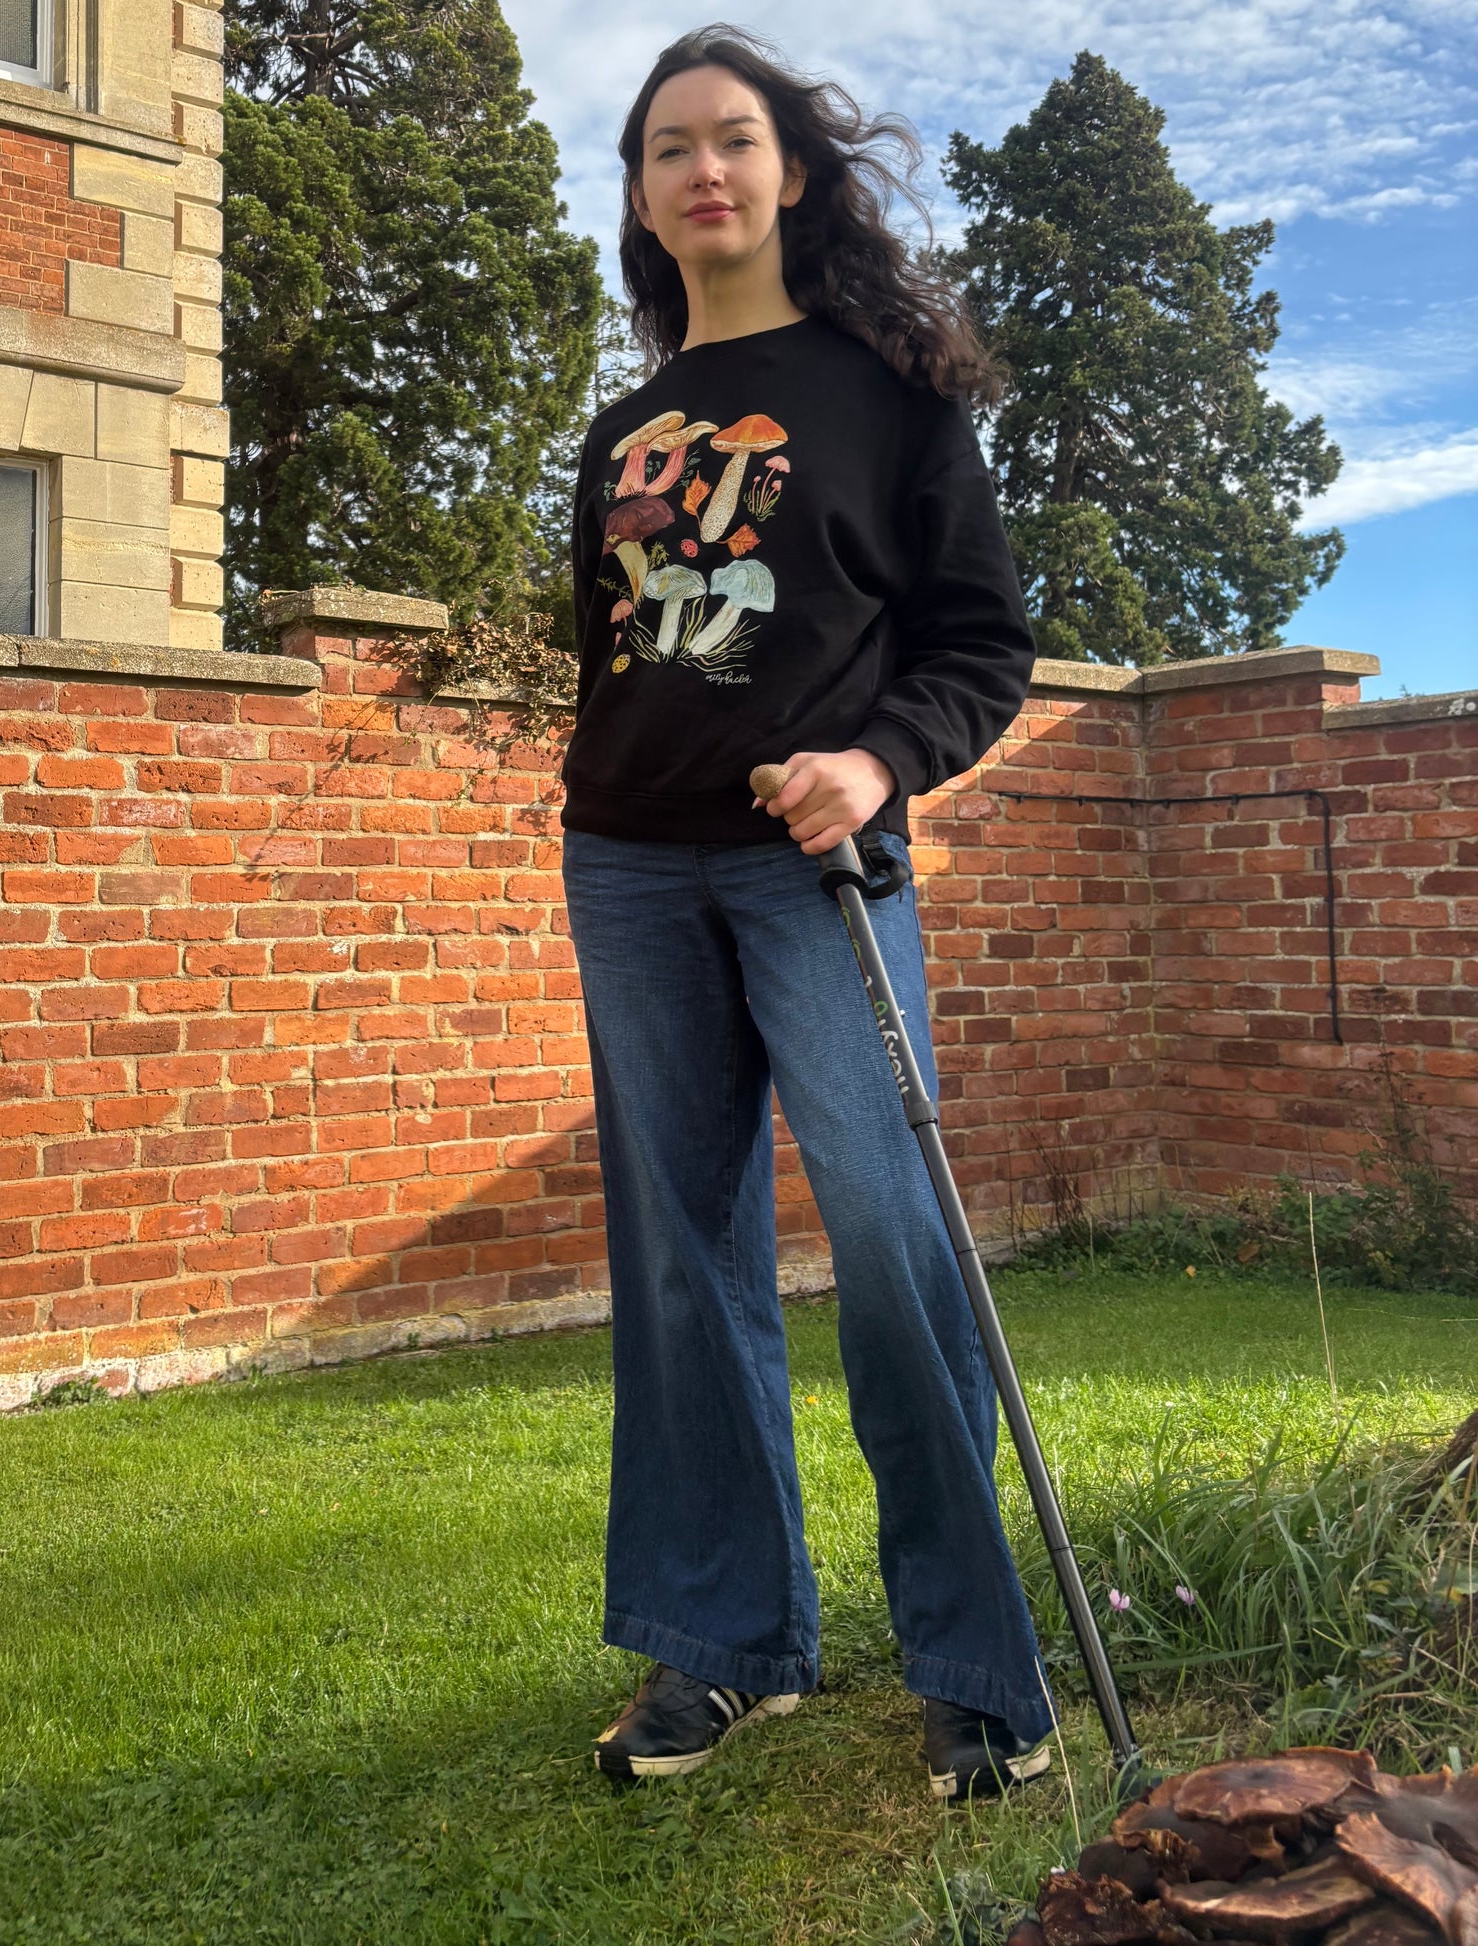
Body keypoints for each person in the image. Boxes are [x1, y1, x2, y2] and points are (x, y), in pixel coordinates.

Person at [561, 25, 1052, 1798]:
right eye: (668, 147)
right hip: (626, 865)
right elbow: (616, 649)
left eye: (736, 138)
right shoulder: (621, 427)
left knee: (894, 1249)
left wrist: (874, 761)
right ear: (638, 194)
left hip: (815, 869)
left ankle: (979, 1667)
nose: (705, 168)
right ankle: (720, 1649)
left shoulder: (887, 387)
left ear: (790, 171)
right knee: (682, 1269)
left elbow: (978, 645)